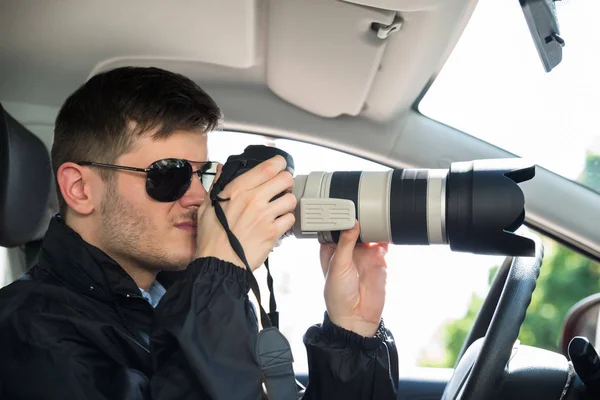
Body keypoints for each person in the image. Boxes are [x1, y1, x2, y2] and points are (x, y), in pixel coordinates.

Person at [0, 67, 398, 399]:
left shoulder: (178, 298)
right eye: (168, 175)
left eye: (203, 173)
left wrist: (351, 333)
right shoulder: (28, 336)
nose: (197, 196)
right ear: (81, 189)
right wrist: (218, 276)